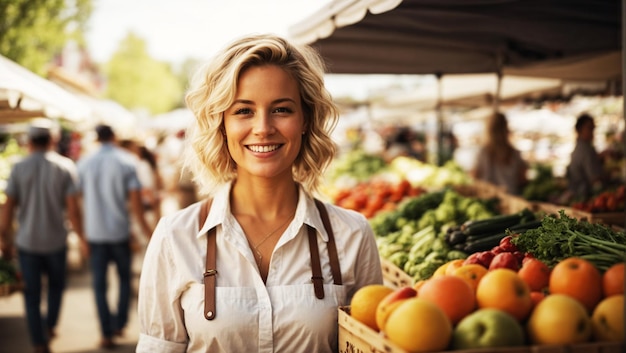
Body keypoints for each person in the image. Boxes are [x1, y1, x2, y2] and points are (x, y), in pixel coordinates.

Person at [136, 34, 383, 353]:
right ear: (220, 123)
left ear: (305, 119)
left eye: (281, 109)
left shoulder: (351, 235)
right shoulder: (176, 237)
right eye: (243, 111)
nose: (263, 127)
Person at [0, 119, 87, 353]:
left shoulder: (19, 167)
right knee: (57, 287)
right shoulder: (66, 167)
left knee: (32, 293)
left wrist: (3, 238)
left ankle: (38, 341)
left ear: (29, 141)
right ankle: (50, 326)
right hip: (56, 240)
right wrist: (81, 237)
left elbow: (8, 207)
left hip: (27, 242)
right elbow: (73, 210)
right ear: (53, 139)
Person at [76, 124, 153, 349]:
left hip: (94, 233)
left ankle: (106, 333)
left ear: (97, 138)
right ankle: (119, 322)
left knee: (99, 285)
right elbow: (137, 206)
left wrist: (81, 235)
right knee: (124, 280)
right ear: (114, 137)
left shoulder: (84, 164)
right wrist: (150, 234)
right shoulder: (127, 162)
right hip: (120, 232)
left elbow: (75, 202)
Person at [470, 112, 528, 195]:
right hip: (512, 198)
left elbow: (474, 177)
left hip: (488, 199)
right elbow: (522, 179)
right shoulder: (515, 153)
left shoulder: (482, 153)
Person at [566, 113, 606, 200]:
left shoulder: (581, 147)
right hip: (585, 196)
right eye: (590, 128)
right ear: (580, 130)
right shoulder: (586, 150)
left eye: (593, 128)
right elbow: (594, 179)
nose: (593, 131)